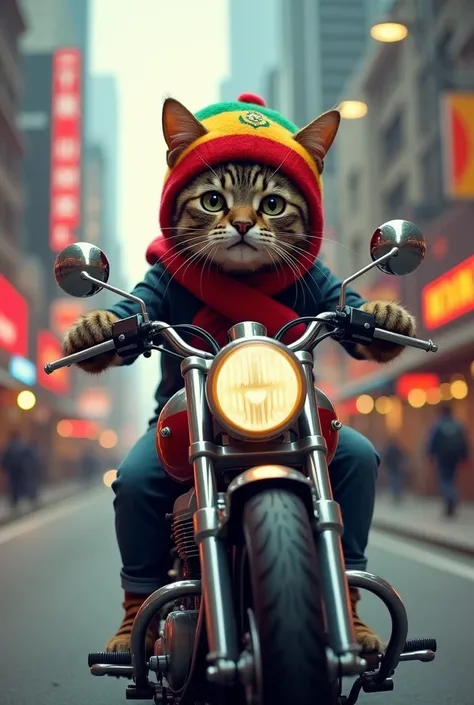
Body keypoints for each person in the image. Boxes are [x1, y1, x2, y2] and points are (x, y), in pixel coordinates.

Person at [62, 93, 417, 655]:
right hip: (187, 422)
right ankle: (138, 611)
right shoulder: (174, 273)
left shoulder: (308, 275)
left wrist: (375, 320)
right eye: (213, 201)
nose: (245, 220)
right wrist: (103, 329)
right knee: (133, 481)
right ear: (179, 201)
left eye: (273, 204)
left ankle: (344, 598)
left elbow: (354, 321)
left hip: (293, 421)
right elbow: (132, 315)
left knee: (355, 457)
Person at [427, 404, 469, 517]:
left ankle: (450, 498)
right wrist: (465, 457)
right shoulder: (458, 425)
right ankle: (453, 499)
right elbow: (464, 442)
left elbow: (432, 442)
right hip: (455, 457)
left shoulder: (438, 425)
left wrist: (430, 455)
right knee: (452, 479)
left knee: (445, 480)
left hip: (442, 457)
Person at [1, 431, 29, 511]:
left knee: (12, 484)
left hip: (11, 469)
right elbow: (26, 458)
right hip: (20, 469)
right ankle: (17, 499)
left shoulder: (9, 447)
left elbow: (4, 458)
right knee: (18, 484)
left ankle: (13, 499)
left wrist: (4, 467)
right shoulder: (22, 446)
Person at [382, 436, 407, 502]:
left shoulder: (390, 449)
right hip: (395, 467)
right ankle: (396, 494)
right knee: (395, 481)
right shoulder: (396, 449)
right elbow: (402, 456)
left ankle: (396, 494)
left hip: (393, 467)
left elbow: (385, 458)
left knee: (394, 481)